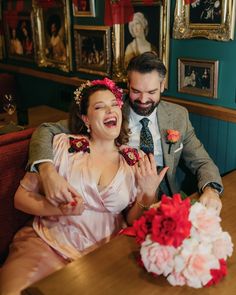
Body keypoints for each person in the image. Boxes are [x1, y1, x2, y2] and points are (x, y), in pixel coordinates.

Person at [0, 78, 167, 295]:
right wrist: (59, 210)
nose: (110, 110)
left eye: (114, 105)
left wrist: (147, 192)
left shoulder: (133, 160)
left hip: (102, 254)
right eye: (100, 106)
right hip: (47, 243)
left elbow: (132, 221)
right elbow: (21, 198)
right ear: (86, 118)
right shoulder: (62, 145)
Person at [27, 52, 223, 214]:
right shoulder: (111, 114)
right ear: (127, 84)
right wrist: (47, 171)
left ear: (163, 86)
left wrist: (211, 190)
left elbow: (202, 161)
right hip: (124, 204)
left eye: (152, 92)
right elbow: (47, 130)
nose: (143, 99)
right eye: (136, 91)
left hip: (171, 202)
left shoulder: (178, 116)